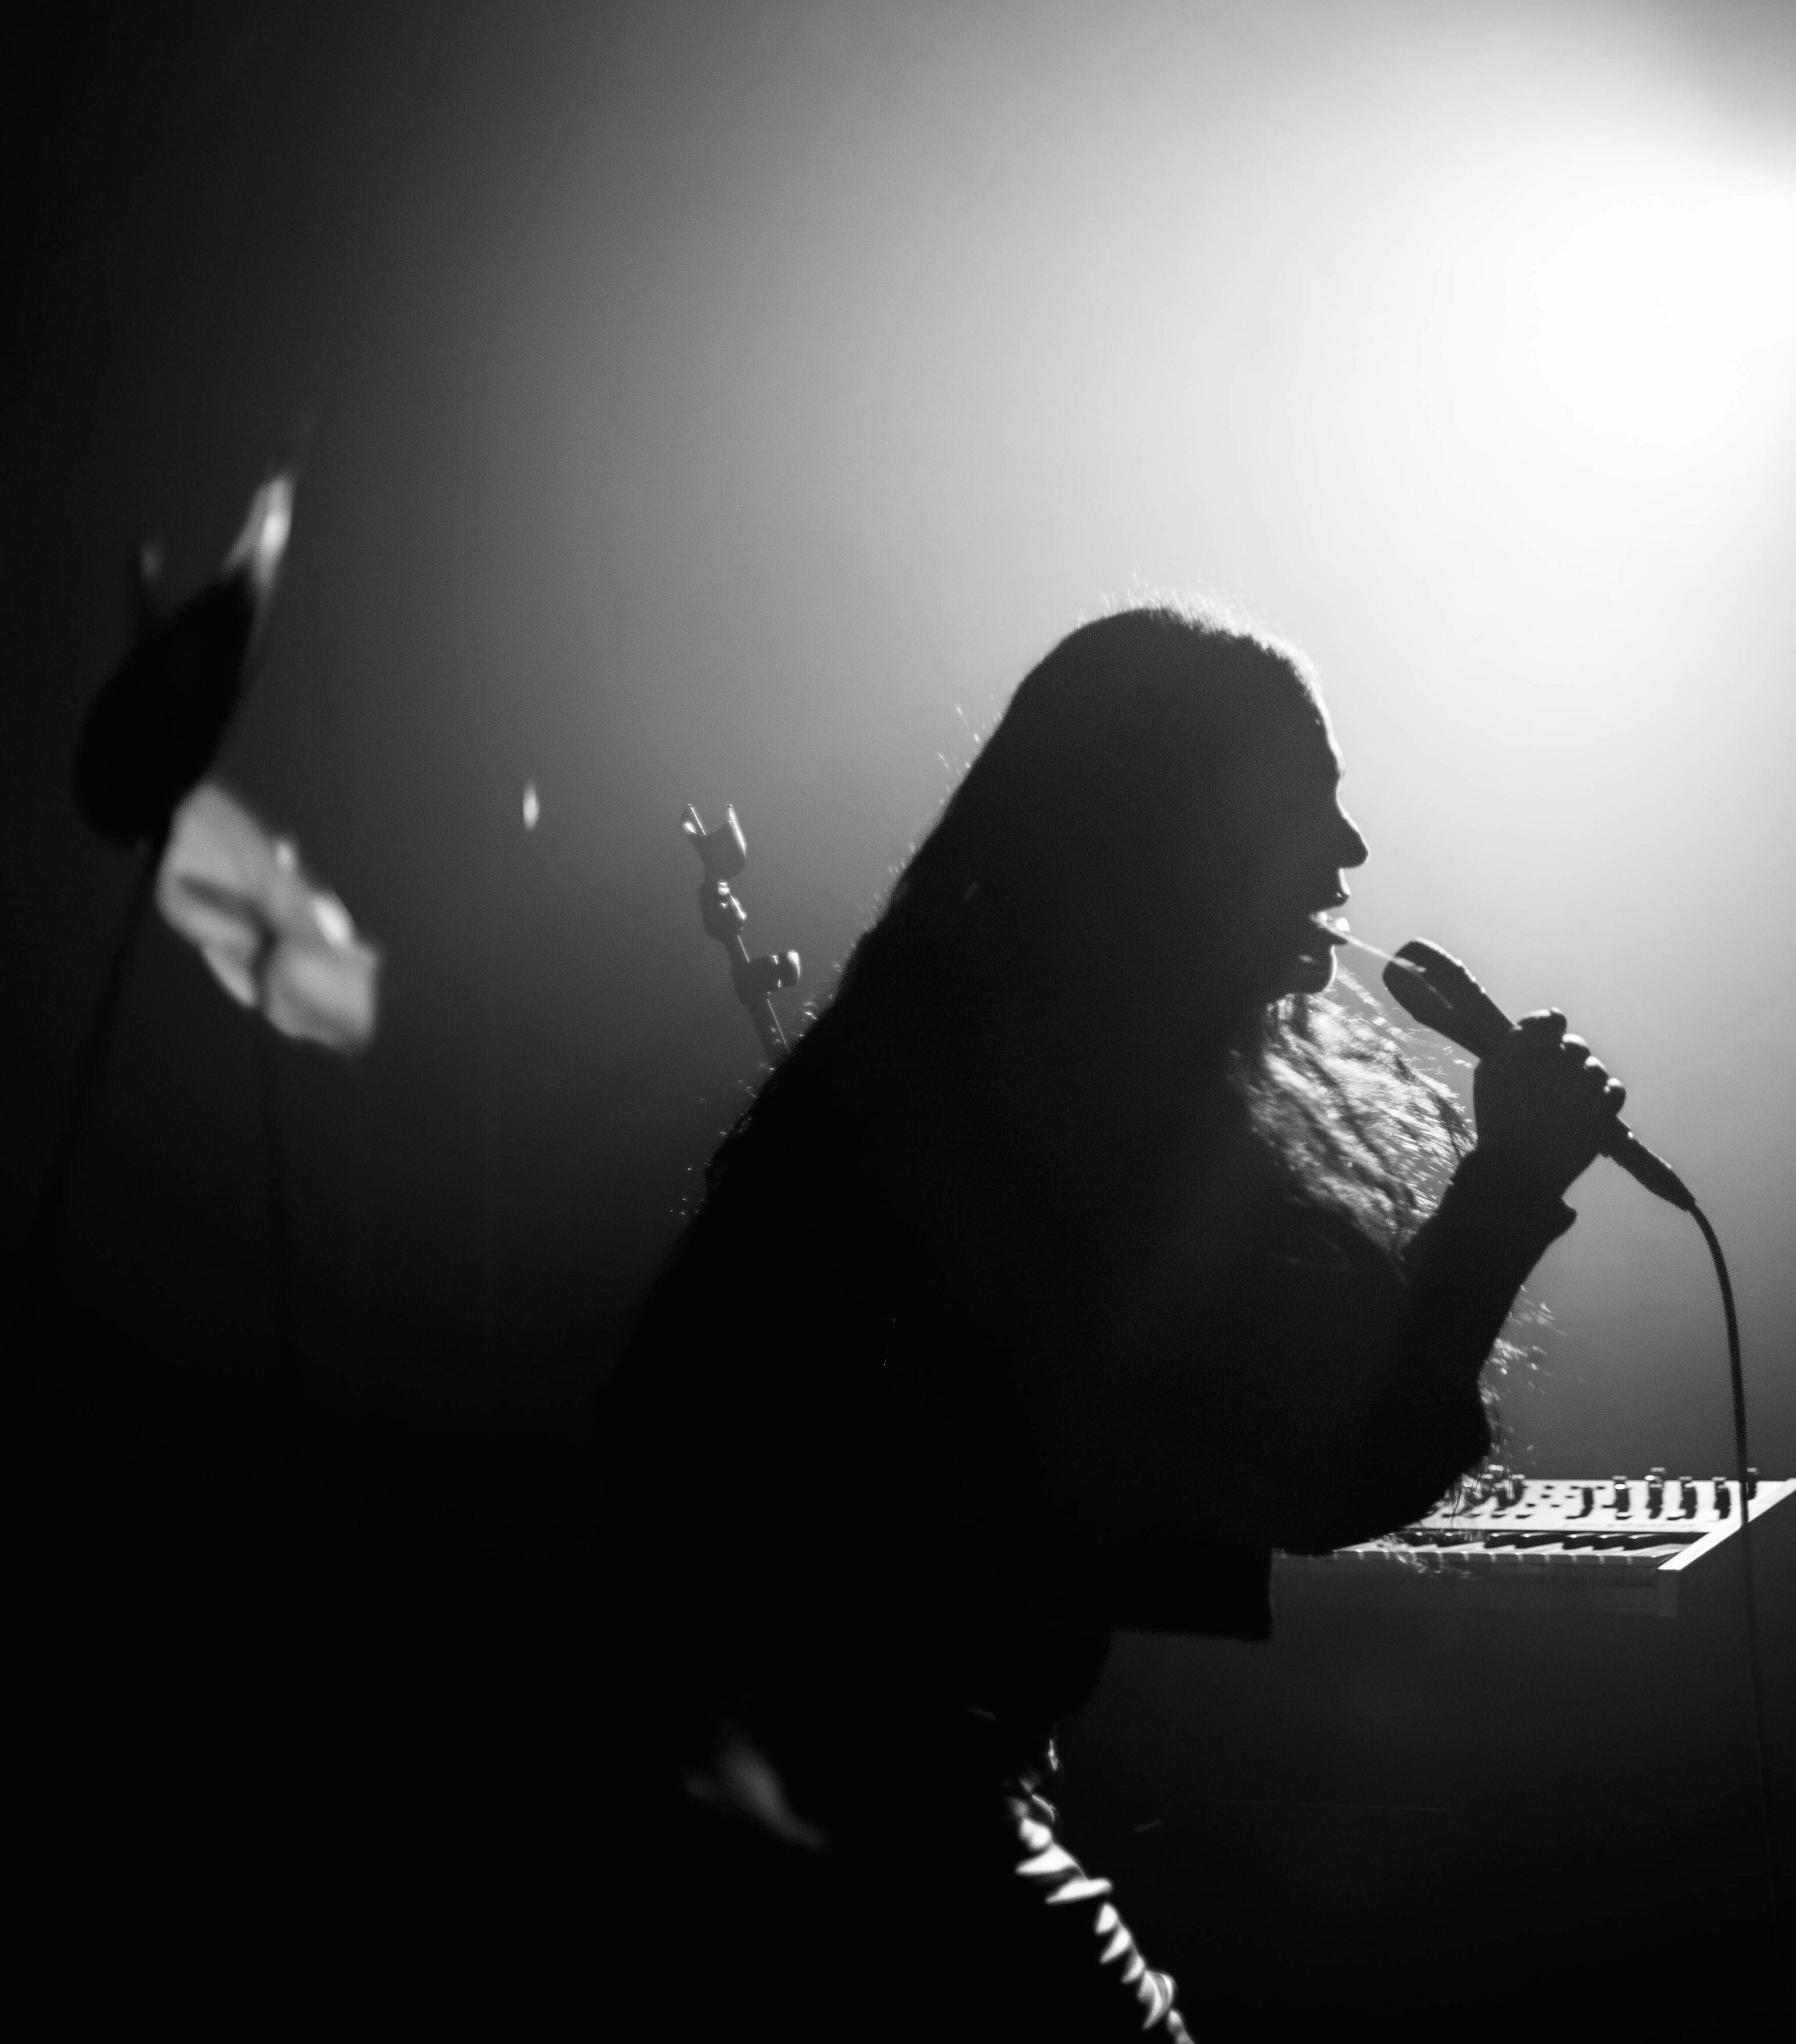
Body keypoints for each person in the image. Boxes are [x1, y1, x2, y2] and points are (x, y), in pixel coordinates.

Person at [597, 606, 1628, 2034]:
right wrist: (1507, 1183)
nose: (1348, 852)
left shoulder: (972, 1043)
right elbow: (1329, 1467)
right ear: (1178, 833)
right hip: (877, 1806)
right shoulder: (1069, 1105)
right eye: (1306, 804)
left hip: (765, 1775)